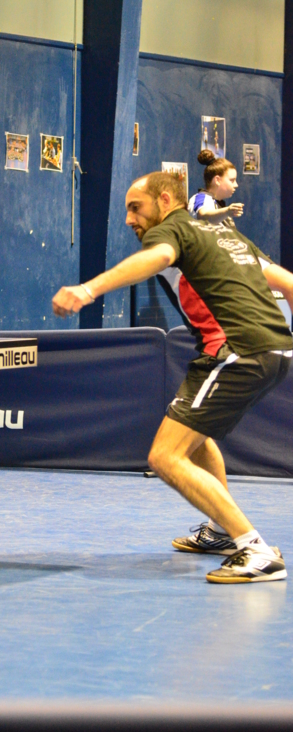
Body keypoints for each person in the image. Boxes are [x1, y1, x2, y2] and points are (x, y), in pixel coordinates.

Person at [52, 171, 293, 584]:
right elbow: (288, 282)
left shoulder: (173, 229)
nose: (129, 219)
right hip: (273, 348)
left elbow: (159, 257)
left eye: (136, 207)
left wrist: (88, 290)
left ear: (165, 200)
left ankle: (256, 551)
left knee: (165, 457)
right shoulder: (226, 235)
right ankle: (221, 530)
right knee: (195, 437)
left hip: (237, 351)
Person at [188, 150, 244, 226]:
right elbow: (204, 217)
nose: (236, 185)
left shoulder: (218, 203)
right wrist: (227, 211)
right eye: (232, 180)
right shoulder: (201, 198)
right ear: (217, 180)